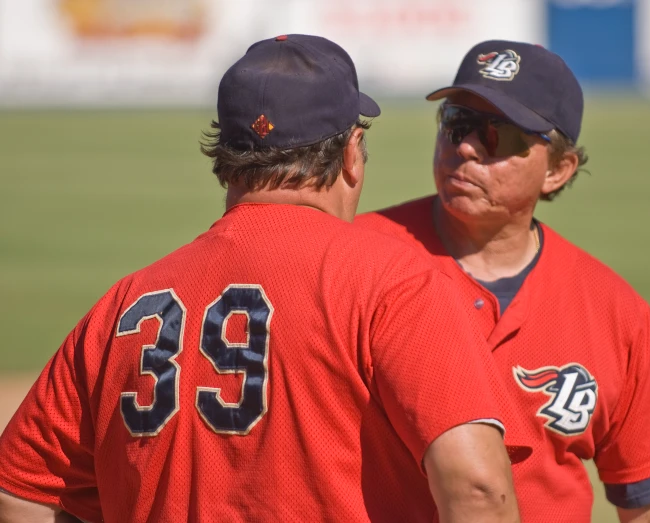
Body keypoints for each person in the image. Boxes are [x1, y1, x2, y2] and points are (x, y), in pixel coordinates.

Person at [0, 35, 527, 523]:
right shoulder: (394, 283)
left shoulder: (126, 303)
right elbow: (477, 486)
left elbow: (20, 492)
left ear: (226, 156)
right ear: (350, 153)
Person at [356, 40, 650, 523]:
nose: (465, 146)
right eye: (456, 123)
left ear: (558, 169)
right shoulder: (360, 256)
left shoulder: (613, 310)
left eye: (496, 135)